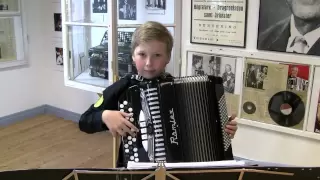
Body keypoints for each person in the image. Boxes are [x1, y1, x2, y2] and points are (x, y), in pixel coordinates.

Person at [78, 21, 238, 167]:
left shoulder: (180, 91)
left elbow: (204, 130)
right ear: (133, 55)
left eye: (157, 55)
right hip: (135, 168)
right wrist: (105, 116)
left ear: (168, 57)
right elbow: (85, 121)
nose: (149, 63)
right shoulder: (124, 88)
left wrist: (223, 130)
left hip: (175, 170)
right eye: (142, 54)